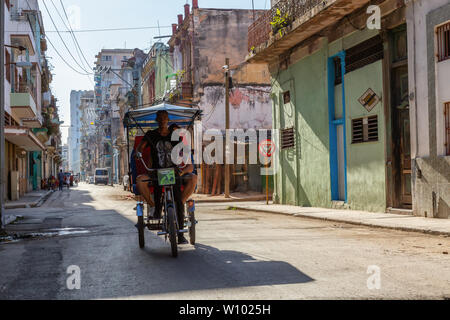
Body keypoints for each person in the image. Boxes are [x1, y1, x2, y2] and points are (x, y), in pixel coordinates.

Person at [136, 110, 189, 244]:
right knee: (156, 189)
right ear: (157, 120)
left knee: (178, 199)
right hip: (157, 171)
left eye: (164, 118)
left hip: (173, 170)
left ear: (168, 120)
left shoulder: (174, 135)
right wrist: (138, 152)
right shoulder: (151, 135)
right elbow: (140, 148)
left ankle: (181, 233)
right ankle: (156, 208)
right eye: (160, 118)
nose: (162, 120)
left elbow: (182, 149)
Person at [169, 123, 198, 205]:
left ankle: (180, 204)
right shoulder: (163, 145)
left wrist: (182, 172)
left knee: (193, 177)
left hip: (179, 175)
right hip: (164, 175)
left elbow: (190, 166)